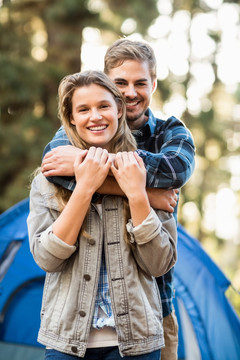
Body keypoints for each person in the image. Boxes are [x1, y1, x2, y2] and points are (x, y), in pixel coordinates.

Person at [41, 39, 195, 360]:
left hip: (154, 306)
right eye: (120, 83)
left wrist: (89, 166)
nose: (131, 92)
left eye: (141, 83)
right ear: (108, 87)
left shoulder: (169, 131)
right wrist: (145, 191)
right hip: (78, 316)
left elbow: (176, 169)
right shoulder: (77, 130)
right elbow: (53, 168)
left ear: (153, 83)